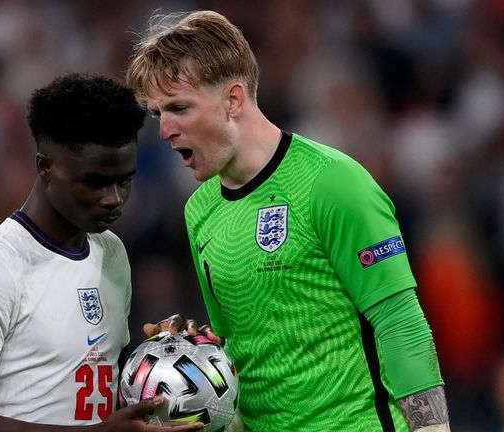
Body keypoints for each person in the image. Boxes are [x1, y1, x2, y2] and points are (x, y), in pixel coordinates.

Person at [126, 10, 450, 432]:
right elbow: (240, 356)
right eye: (157, 114)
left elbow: (400, 321)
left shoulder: (332, 182)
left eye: (179, 108)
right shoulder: (199, 210)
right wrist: (192, 358)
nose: (165, 129)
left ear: (233, 100)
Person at [0, 73, 203, 432]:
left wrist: (164, 358)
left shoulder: (112, 253)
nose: (114, 198)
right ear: (45, 166)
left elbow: (88, 387)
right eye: (95, 182)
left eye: (125, 180)